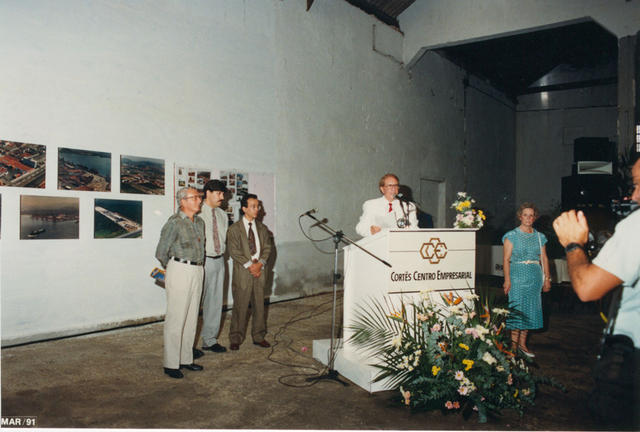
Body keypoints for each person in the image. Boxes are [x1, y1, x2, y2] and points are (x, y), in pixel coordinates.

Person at [553, 158, 639, 427]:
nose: (634, 196)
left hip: (631, 361)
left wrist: (573, 245)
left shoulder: (636, 226)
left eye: (639, 185)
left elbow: (587, 288)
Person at [155, 187, 206, 379]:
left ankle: (186, 359)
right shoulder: (174, 222)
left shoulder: (200, 222)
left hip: (198, 269)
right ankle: (171, 363)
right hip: (180, 270)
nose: (199, 200)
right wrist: (173, 269)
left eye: (199, 197)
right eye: (195, 198)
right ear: (183, 201)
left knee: (192, 317)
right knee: (176, 318)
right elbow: (161, 252)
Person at [502, 202, 551, 358]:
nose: (528, 218)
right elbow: (506, 259)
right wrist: (507, 280)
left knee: (530, 310)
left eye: (531, 215)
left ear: (534, 217)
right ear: (520, 217)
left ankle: (522, 345)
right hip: (517, 276)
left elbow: (544, 258)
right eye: (525, 215)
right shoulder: (512, 235)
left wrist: (547, 278)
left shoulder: (540, 237)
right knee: (517, 310)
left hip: (535, 277)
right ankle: (513, 347)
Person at [227, 193, 273, 351]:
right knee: (240, 306)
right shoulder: (234, 229)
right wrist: (250, 265)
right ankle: (236, 338)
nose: (257, 209)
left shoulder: (262, 228)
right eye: (253, 206)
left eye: (258, 206)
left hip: (260, 271)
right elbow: (234, 251)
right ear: (244, 208)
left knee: (259, 305)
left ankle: (259, 336)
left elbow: (267, 248)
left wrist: (260, 264)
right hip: (243, 273)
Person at [196, 179, 229, 356]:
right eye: (219, 193)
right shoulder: (197, 212)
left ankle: (209, 340)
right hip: (202, 261)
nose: (222, 197)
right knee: (194, 304)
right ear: (207, 193)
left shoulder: (223, 215)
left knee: (215, 303)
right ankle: (188, 344)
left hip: (219, 260)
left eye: (223, 194)